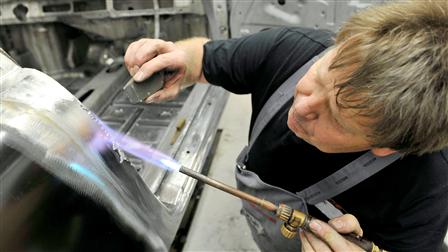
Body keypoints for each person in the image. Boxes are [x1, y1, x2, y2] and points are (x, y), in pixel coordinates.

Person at [124, 0, 448, 251]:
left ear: (385, 145)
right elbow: (200, 57)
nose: (303, 104)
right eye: (320, 76)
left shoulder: (426, 189)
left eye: (334, 115)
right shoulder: (291, 47)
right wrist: (178, 60)